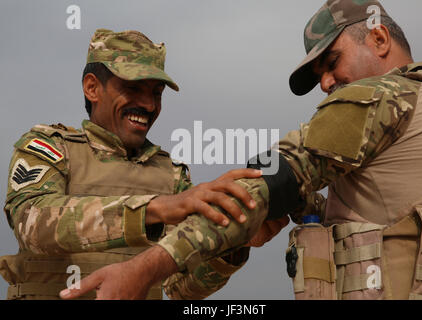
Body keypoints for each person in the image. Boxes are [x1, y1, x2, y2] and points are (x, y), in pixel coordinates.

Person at [62, 0, 422, 300]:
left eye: (333, 62)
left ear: (379, 39)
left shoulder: (381, 97)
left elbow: (260, 179)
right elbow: (395, 209)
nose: (327, 83)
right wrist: (299, 205)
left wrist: (142, 270)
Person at [0, 28, 289, 300]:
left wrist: (235, 244)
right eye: (133, 89)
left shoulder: (171, 176)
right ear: (92, 88)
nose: (149, 105)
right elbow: (32, 224)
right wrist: (154, 209)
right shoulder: (50, 147)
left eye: (156, 93)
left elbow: (180, 289)